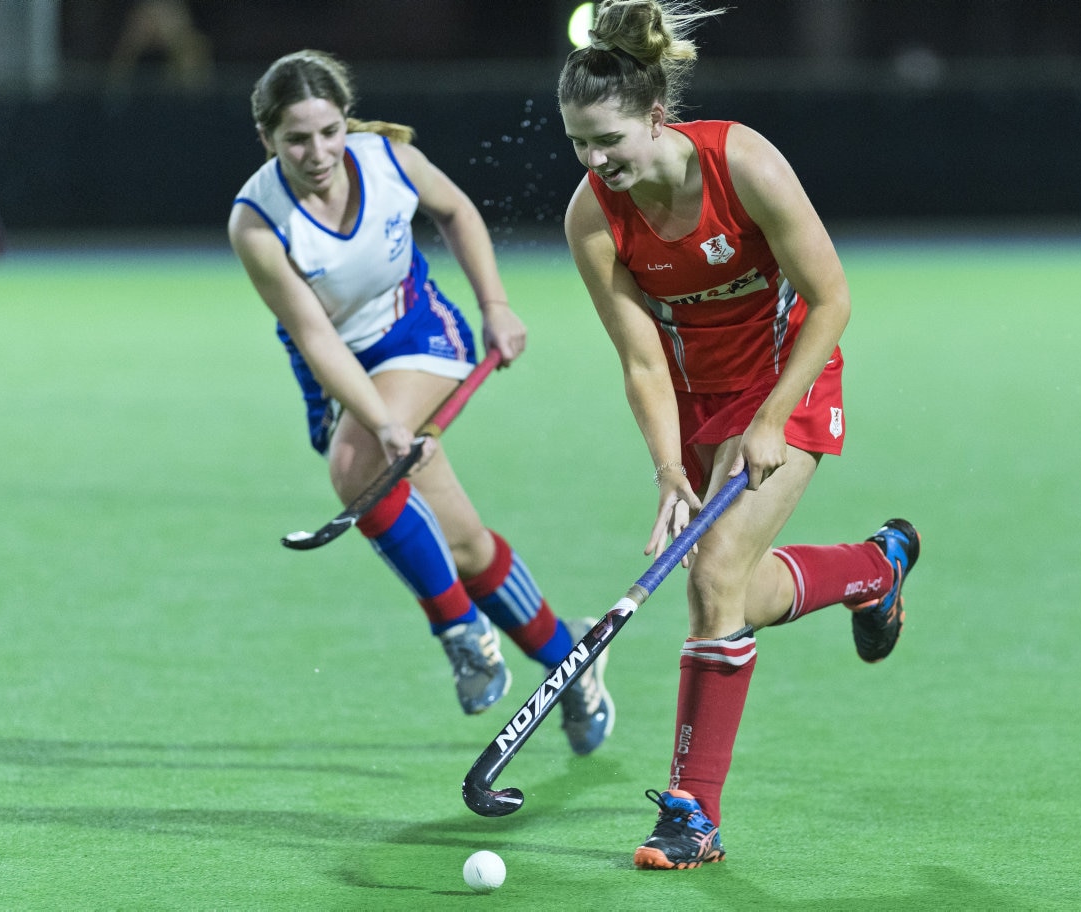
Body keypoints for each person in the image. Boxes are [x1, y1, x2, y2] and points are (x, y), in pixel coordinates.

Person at [559, 1, 921, 870]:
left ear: (655, 116)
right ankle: (874, 569)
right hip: (691, 400)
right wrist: (664, 469)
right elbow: (643, 364)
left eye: (609, 138)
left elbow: (831, 299)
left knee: (712, 579)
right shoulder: (593, 219)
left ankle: (693, 815)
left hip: (786, 376)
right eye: (578, 143)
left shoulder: (742, 161)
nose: (596, 161)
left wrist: (769, 419)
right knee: (736, 594)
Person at [228, 50, 613, 755]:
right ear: (267, 140)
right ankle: (574, 660)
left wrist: (495, 306)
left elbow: (457, 211)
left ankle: (462, 634)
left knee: (356, 465)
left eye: (328, 131)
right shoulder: (256, 223)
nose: (317, 153)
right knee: (462, 543)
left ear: (346, 122)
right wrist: (383, 422)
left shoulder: (387, 160)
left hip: (419, 334)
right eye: (296, 139)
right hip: (336, 367)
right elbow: (317, 340)